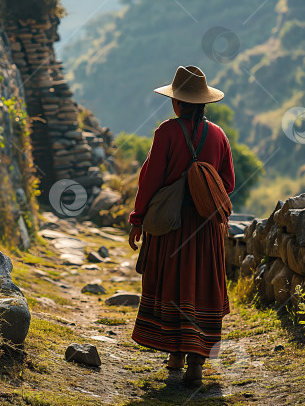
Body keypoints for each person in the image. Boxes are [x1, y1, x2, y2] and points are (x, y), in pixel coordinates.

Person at [127, 65, 235, 386]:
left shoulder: (166, 133)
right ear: (203, 103)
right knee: (202, 287)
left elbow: (150, 181)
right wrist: (202, 191)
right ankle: (195, 361)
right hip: (206, 228)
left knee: (172, 285)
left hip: (171, 228)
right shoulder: (218, 136)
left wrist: (138, 220)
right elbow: (227, 182)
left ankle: (174, 352)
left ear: (177, 103)